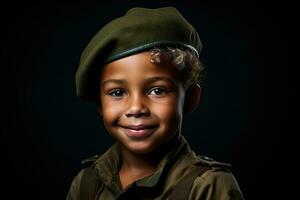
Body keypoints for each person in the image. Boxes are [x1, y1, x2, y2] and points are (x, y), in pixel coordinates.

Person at [66, 7, 244, 200]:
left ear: (191, 98)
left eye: (157, 91)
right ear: (100, 104)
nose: (136, 108)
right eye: (117, 92)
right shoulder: (87, 183)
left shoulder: (208, 186)